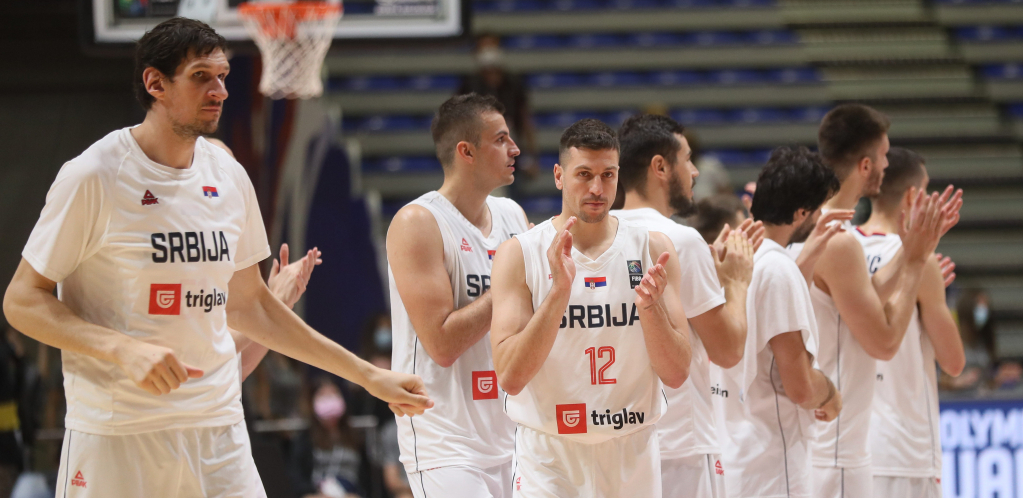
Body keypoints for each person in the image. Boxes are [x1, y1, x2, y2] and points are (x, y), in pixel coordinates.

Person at [2, 18, 430, 498]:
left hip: (219, 430)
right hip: (120, 434)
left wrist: (368, 375)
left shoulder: (227, 173)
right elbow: (21, 300)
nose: (220, 90)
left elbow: (253, 306)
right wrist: (119, 347)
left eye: (223, 76)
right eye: (202, 76)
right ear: (155, 83)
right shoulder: (94, 176)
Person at [491, 118, 691, 497]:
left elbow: (678, 372)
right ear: (558, 176)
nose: (597, 188)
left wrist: (651, 310)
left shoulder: (651, 249)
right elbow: (511, 376)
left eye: (608, 175)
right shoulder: (520, 254)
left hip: (632, 449)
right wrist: (557, 294)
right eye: (584, 174)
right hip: (550, 455)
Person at [789, 104, 958, 498]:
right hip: (836, 445)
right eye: (883, 155)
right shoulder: (838, 238)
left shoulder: (816, 223)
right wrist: (915, 260)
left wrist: (914, 245)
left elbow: (859, 297)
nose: (887, 162)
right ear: (865, 165)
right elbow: (883, 343)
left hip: (819, 440)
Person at [386, 93, 529, 498]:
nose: (515, 148)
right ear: (466, 151)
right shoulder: (418, 222)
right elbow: (442, 343)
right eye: (501, 139)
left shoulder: (512, 216)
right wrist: (511, 281)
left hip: (510, 432)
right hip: (444, 439)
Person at [610, 114, 759, 498]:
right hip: (682, 447)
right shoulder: (681, 239)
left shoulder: (599, 235)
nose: (694, 171)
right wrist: (735, 282)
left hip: (615, 443)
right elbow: (727, 351)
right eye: (687, 159)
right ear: (661, 166)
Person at [713, 146, 841, 498]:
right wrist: (830, 394)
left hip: (729, 456)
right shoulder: (778, 268)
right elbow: (799, 387)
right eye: (817, 210)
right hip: (770, 465)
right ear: (801, 212)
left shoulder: (728, 255)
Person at [858, 147, 966, 498]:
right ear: (912, 196)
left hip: (847, 444)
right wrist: (931, 293)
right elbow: (953, 362)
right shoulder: (924, 265)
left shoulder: (836, 247)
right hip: (904, 449)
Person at [459, 34, 539, 182]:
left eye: (492, 47)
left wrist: (531, 156)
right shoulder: (469, 85)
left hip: (512, 155)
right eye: (484, 48)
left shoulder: (513, 82)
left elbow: (525, 119)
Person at [290, 378, 366, 498]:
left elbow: (367, 477)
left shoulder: (356, 436)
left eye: (333, 394)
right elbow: (297, 477)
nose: (329, 399)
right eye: (323, 395)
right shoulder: (305, 438)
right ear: (312, 401)